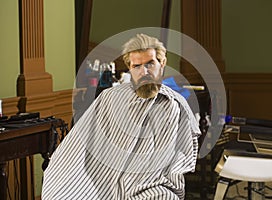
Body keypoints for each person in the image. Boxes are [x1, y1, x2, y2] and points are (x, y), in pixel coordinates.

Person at [42, 33, 201, 200]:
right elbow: (80, 143)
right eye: (137, 66)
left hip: (150, 183)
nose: (144, 72)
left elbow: (167, 159)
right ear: (130, 68)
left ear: (162, 64)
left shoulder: (172, 104)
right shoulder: (110, 97)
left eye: (150, 64)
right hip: (103, 178)